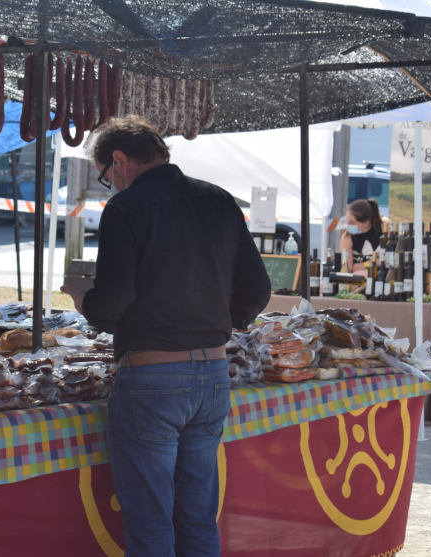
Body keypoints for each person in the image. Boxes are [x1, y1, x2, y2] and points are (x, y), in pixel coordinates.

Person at [60, 116, 270, 556]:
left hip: (153, 379)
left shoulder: (127, 208)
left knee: (151, 518)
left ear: (119, 160)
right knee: (196, 515)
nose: (109, 185)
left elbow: (114, 298)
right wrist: (212, 319)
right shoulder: (218, 200)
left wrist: (87, 306)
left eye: (105, 175)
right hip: (213, 372)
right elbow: (257, 290)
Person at [339, 198, 383, 270]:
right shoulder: (347, 237)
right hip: (358, 279)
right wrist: (376, 262)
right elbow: (348, 268)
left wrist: (366, 264)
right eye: (347, 221)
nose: (348, 225)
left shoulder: (384, 230)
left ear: (366, 223)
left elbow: (390, 260)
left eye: (352, 223)